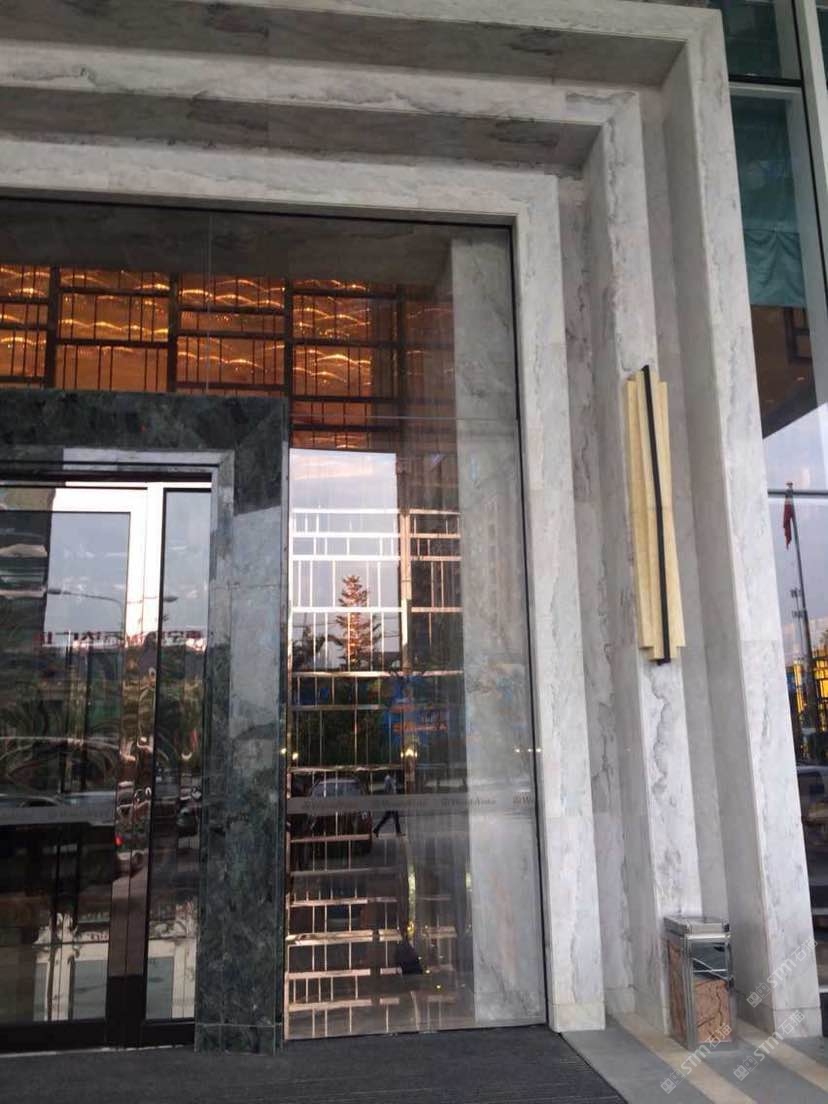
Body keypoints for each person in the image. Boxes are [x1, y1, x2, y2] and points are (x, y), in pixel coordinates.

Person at [373, 772, 401, 836]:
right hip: (391, 801)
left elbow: (394, 788)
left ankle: (376, 830)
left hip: (393, 800)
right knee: (394, 816)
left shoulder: (392, 778)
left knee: (387, 817)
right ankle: (398, 832)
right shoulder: (388, 779)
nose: (394, 772)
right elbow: (386, 790)